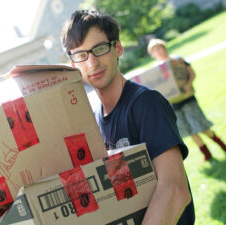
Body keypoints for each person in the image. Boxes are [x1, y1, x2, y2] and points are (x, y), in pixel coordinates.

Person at [61, 9, 194, 225]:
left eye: (100, 49)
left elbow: (175, 190)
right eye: (81, 55)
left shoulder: (146, 104)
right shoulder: (94, 120)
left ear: (118, 48)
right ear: (74, 64)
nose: (92, 63)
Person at [147, 38, 226, 162]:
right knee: (189, 131)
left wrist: (188, 84)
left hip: (187, 98)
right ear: (152, 54)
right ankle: (207, 154)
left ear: (164, 47)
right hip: (173, 105)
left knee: (201, 126)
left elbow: (192, 73)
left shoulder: (177, 60)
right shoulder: (155, 70)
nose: (158, 51)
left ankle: (222, 145)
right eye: (154, 50)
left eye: (159, 47)